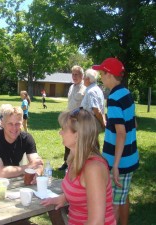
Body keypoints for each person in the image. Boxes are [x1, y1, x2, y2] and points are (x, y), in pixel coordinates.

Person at [41, 109, 116, 225]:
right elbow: (82, 191)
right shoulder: (74, 159)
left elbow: (96, 222)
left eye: (64, 129)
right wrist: (64, 197)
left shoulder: (93, 168)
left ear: (77, 136)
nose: (60, 133)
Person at [93, 57, 139, 225]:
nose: (100, 76)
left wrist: (116, 166)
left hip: (119, 161)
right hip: (129, 157)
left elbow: (121, 133)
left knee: (113, 204)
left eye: (102, 73)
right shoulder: (126, 93)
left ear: (110, 75)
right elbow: (133, 123)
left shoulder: (114, 98)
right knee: (122, 196)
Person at [0, 106, 43, 180]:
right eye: (10, 124)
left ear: (22, 123)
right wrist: (28, 166)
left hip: (16, 182)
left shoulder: (26, 138)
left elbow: (37, 163)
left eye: (17, 124)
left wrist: (37, 173)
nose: (14, 128)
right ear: (2, 124)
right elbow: (0, 173)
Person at [58, 65, 86, 171]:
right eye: (73, 74)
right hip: (69, 119)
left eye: (76, 74)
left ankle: (77, 163)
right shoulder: (71, 86)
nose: (74, 76)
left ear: (82, 76)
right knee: (67, 141)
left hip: (79, 120)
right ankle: (66, 162)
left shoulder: (85, 88)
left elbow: (84, 107)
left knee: (78, 143)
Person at [80, 68, 106, 132]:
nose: (83, 79)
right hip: (91, 123)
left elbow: (96, 110)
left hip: (90, 123)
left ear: (88, 79)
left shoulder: (91, 92)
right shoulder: (97, 89)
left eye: (84, 77)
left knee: (89, 142)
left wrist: (103, 123)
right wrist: (104, 121)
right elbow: (102, 109)